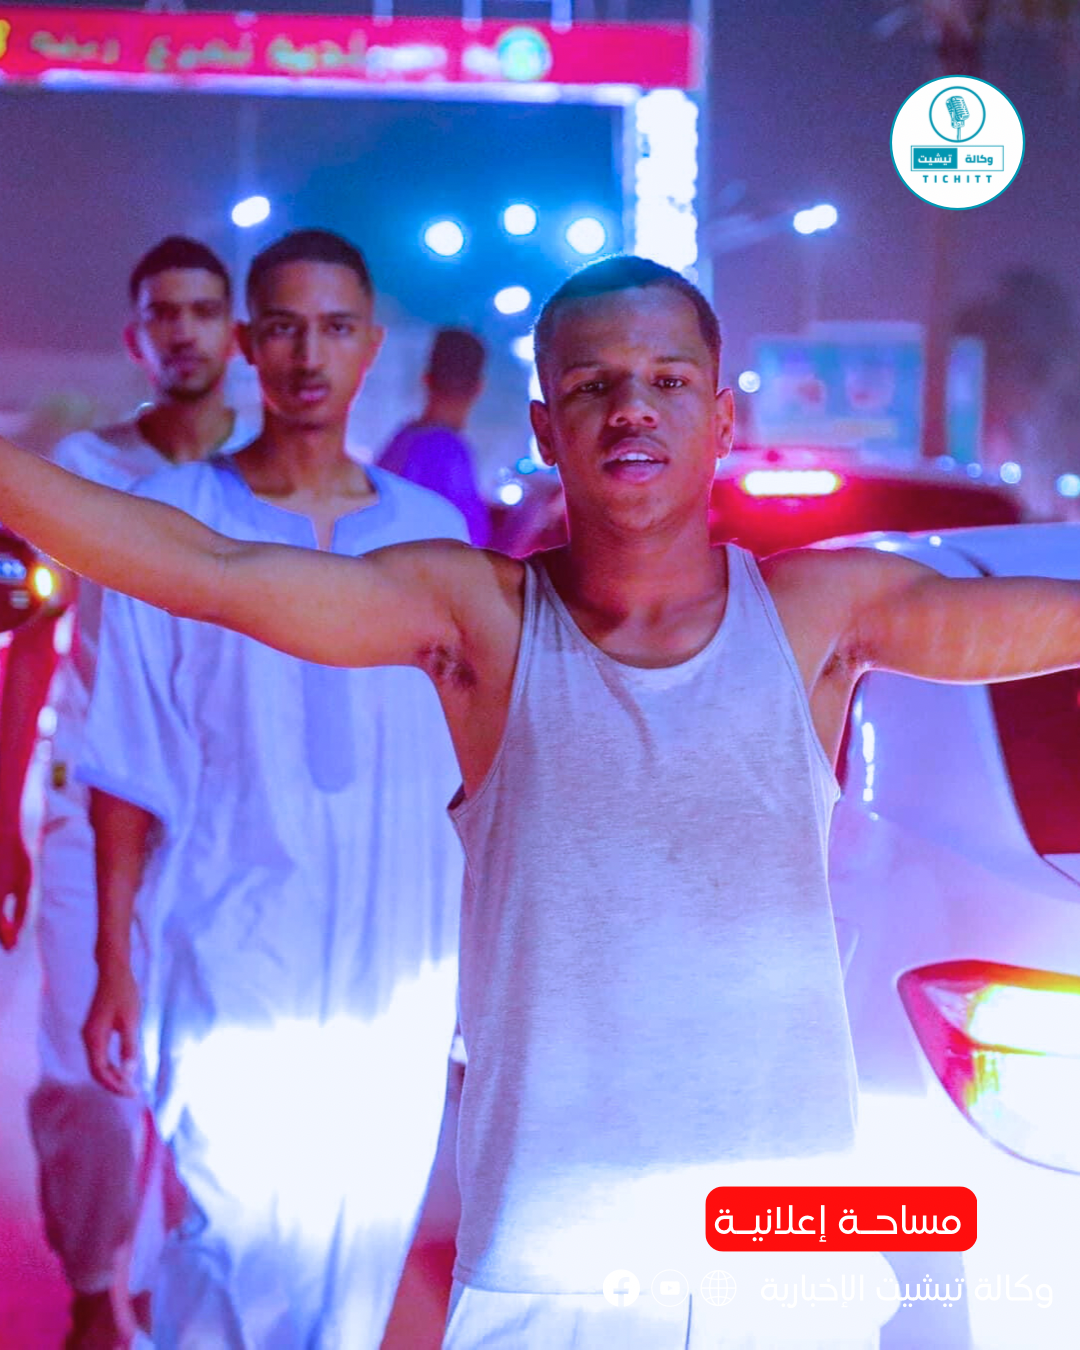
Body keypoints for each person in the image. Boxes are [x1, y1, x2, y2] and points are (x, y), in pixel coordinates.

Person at [3, 255, 1080, 1347]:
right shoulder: (481, 619)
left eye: (667, 381)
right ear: (546, 425)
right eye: (592, 384)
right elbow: (207, 568)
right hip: (553, 1268)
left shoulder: (818, 616)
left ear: (720, 418)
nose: (632, 409)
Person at [78, 229, 466, 1349]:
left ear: (370, 347)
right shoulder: (174, 523)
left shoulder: (430, 536)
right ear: (249, 344)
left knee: (363, 1236)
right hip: (226, 934)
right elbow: (125, 760)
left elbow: (472, 768)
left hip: (397, 955)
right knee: (230, 1234)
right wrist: (114, 962)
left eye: (335, 328)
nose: (309, 355)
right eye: (285, 328)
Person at [0, 235, 248, 1349]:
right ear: (135, 337)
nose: (183, 330)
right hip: (85, 804)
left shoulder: (268, 474)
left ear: (233, 333)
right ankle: (96, 1287)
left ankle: (191, 1278)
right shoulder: (85, 468)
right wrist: (5, 823)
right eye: (164, 313)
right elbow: (34, 645)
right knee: (85, 1075)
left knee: (217, 1058)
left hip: (228, 815)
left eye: (202, 310)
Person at [377, 326, 491, 546]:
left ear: (426, 379)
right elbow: (470, 553)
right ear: (479, 388)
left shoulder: (401, 440)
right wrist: (535, 510)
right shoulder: (448, 452)